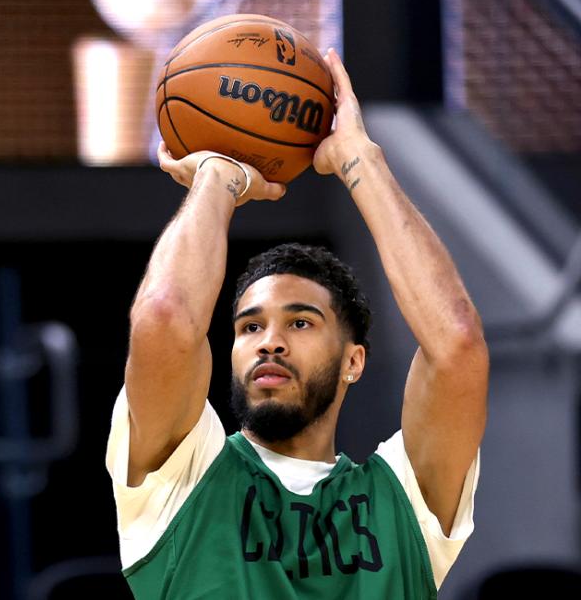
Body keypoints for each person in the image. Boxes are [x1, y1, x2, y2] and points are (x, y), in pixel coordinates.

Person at [106, 49, 487, 599]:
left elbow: (458, 344)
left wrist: (359, 158)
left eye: (301, 323)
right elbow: (164, 316)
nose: (270, 343)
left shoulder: (405, 500)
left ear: (354, 360)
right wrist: (218, 176)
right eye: (249, 327)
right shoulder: (180, 477)